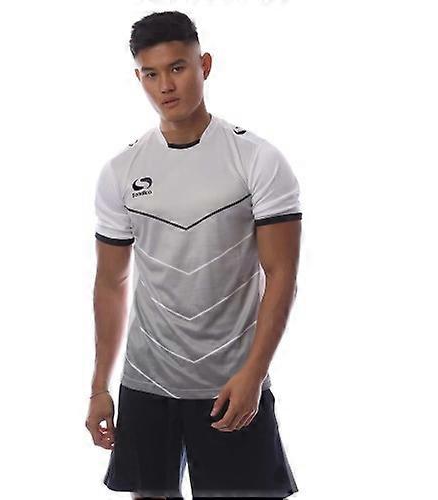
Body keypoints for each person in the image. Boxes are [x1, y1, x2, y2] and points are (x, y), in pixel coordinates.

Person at [85, 10, 302, 499]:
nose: (165, 85)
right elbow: (110, 283)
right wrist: (99, 386)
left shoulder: (257, 160)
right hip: (147, 381)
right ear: (139, 78)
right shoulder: (121, 171)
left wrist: (254, 374)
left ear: (204, 65)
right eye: (151, 74)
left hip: (231, 381)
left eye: (178, 68)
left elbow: (282, 274)